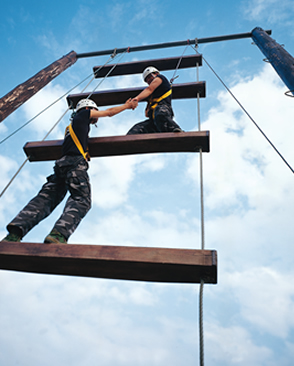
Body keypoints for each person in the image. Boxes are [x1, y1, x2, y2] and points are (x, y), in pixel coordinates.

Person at [2, 98, 138, 244]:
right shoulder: (84, 115)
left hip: (61, 165)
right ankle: (58, 234)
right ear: (89, 108)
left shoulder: (72, 127)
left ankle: (14, 234)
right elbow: (110, 112)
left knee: (46, 199)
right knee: (81, 200)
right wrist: (127, 106)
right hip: (74, 164)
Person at [127, 66, 183, 135]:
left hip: (163, 112)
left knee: (160, 113)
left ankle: (176, 132)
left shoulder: (160, 78)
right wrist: (149, 104)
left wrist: (137, 98)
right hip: (154, 121)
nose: (148, 80)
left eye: (149, 77)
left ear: (156, 74)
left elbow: (149, 89)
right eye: (147, 79)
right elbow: (147, 114)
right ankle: (128, 143)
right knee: (137, 129)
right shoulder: (152, 97)